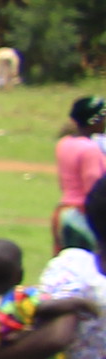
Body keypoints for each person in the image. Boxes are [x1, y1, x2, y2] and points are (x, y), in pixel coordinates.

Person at [56, 96, 105, 256]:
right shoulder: (90, 149)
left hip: (63, 212)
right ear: (94, 120)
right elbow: (94, 189)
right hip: (83, 215)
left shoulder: (64, 143)